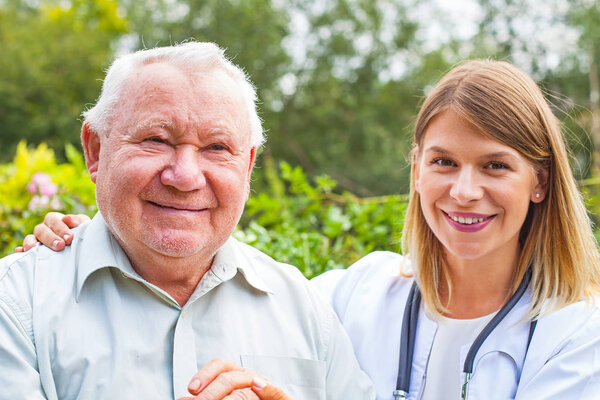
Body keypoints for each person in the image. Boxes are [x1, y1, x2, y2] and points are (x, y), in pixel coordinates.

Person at [21, 60, 600, 399]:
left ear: (540, 182)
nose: (465, 190)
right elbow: (201, 268)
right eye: (444, 162)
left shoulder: (579, 336)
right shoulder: (351, 294)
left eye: (496, 165)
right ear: (417, 168)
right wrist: (91, 241)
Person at [0, 42, 376, 400]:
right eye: (157, 139)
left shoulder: (304, 308)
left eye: (216, 148)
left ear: (247, 166)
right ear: (95, 150)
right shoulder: (17, 304)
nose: (185, 176)